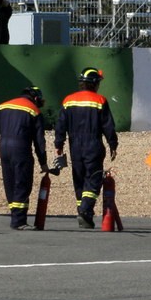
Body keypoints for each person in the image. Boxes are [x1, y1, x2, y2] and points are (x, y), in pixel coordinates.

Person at [54, 67, 119, 229]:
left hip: (74, 145)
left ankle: (85, 214)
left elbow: (60, 125)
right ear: (94, 83)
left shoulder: (68, 100)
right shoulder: (100, 101)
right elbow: (108, 126)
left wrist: (59, 144)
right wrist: (113, 144)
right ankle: (85, 209)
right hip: (93, 145)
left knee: (79, 179)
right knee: (94, 177)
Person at [0, 86, 49, 230]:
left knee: (10, 182)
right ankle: (19, 221)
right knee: (22, 182)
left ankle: (15, 217)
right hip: (21, 149)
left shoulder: (3, 106)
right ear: (35, 98)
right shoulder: (34, 110)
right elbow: (39, 141)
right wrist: (43, 163)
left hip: (4, 149)